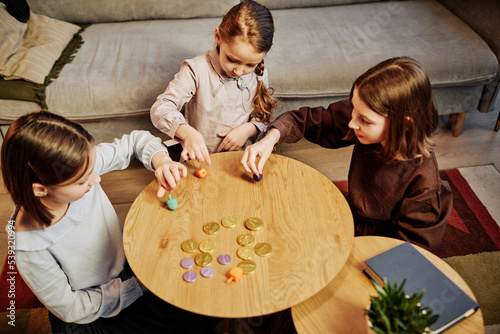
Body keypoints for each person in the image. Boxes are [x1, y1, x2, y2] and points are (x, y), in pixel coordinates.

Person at [1, 111, 219, 333]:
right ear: (40, 190)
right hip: (91, 314)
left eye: (92, 169)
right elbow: (72, 308)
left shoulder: (78, 167)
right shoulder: (29, 248)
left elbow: (136, 140)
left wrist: (162, 161)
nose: (96, 179)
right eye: (83, 181)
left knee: (203, 305)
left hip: (125, 270)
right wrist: (138, 286)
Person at [241, 57, 452, 250]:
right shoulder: (363, 121)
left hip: (380, 247)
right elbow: (302, 120)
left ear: (404, 124)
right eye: (353, 109)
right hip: (352, 215)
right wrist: (270, 139)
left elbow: (407, 254)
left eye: (365, 120)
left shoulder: (424, 184)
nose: (352, 123)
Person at [151, 0, 279, 165]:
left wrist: (249, 129)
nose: (238, 72)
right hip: (199, 161)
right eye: (232, 59)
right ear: (218, 37)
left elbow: (262, 117)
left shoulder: (258, 74)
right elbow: (161, 108)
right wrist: (188, 133)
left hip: (240, 160)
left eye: (249, 64)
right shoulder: (196, 69)